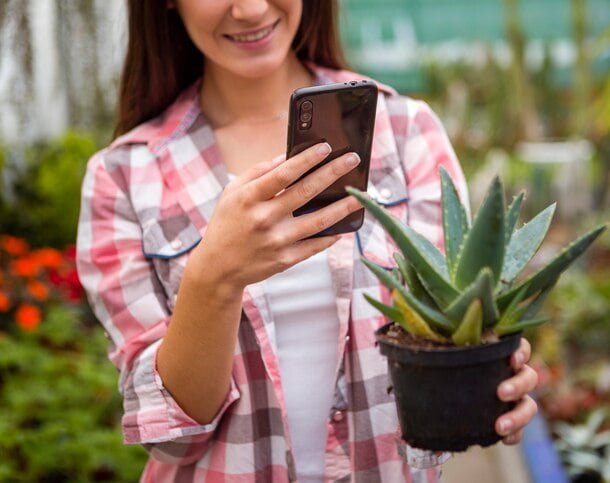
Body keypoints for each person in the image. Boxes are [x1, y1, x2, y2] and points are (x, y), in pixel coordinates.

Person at [76, 1, 539, 481]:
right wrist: (213, 276)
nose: (251, 10)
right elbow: (172, 439)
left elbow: (446, 331)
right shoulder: (124, 178)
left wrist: (489, 375)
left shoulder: (403, 132)